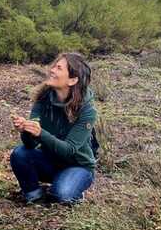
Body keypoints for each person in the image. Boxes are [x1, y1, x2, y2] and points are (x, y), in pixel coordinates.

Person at [10, 53, 97, 205]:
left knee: (62, 195)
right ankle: (33, 195)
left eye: (59, 68)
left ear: (72, 80)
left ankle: (71, 190)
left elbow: (69, 149)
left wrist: (40, 133)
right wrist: (26, 130)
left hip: (77, 166)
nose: (52, 70)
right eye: (54, 66)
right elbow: (30, 145)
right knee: (20, 154)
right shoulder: (43, 99)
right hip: (50, 161)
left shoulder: (87, 111)